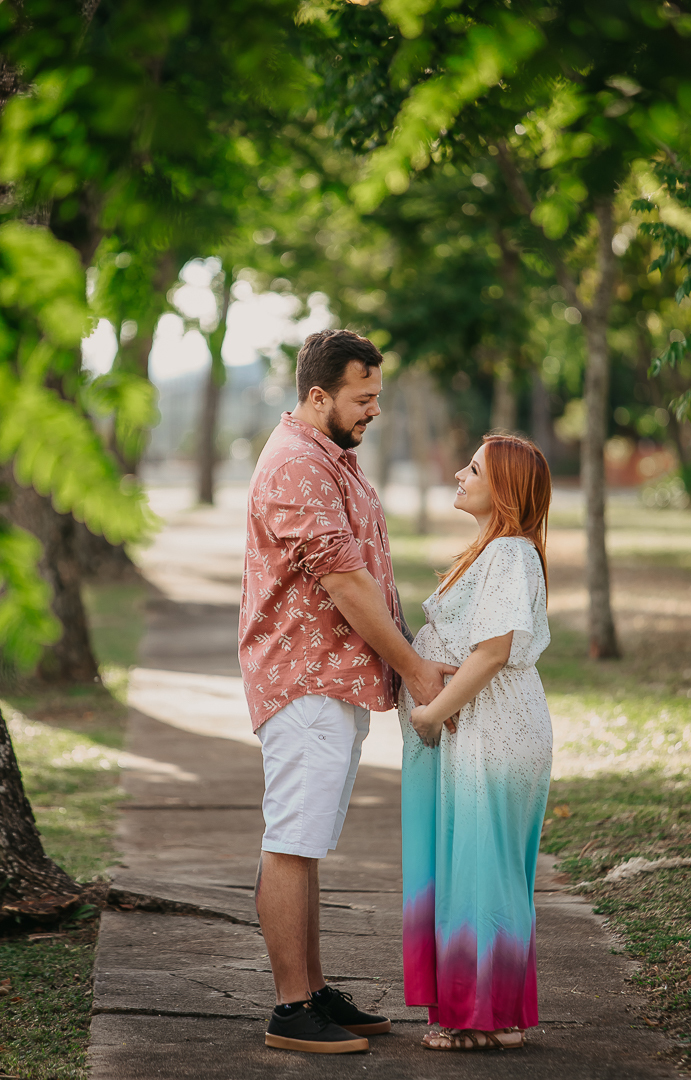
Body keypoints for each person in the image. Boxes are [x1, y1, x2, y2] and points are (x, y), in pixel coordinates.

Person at [238, 329, 455, 1055]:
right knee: (291, 840)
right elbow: (346, 582)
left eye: (377, 396)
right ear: (317, 395)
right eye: (363, 398)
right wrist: (416, 670)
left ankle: (312, 989)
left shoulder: (330, 455)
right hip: (306, 681)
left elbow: (366, 574)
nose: (374, 410)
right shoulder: (300, 464)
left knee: (306, 842)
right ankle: (290, 1008)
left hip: (330, 679)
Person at [399, 432, 553, 1052]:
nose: (460, 476)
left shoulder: (511, 552)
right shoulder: (496, 550)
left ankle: (481, 1018)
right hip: (476, 726)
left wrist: (432, 714)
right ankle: (492, 1013)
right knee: (477, 866)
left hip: (490, 729)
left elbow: (492, 653)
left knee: (483, 869)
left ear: (505, 490)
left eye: (473, 469)